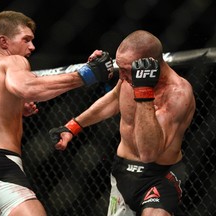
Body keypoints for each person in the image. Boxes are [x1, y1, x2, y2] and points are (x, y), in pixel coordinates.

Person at [0, 10, 114, 216]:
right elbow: (29, 88)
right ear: (4, 41)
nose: (32, 47)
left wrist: (15, 107)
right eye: (26, 40)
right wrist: (85, 75)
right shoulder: (12, 61)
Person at [49, 30, 196, 216]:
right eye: (120, 67)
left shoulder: (177, 94)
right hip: (123, 171)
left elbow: (148, 153)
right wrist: (72, 127)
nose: (121, 75)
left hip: (160, 175)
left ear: (148, 65)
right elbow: (113, 100)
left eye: (126, 69)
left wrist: (144, 93)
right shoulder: (129, 79)